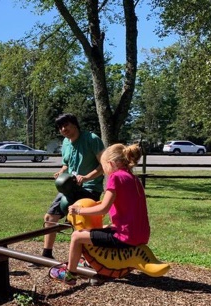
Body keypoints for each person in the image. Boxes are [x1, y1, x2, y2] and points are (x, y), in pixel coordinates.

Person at [49, 143, 150, 285]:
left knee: (77, 236)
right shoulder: (134, 178)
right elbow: (122, 204)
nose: (104, 171)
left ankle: (70, 275)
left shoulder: (115, 177)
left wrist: (78, 210)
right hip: (141, 234)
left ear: (110, 163)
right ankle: (89, 262)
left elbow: (103, 209)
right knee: (103, 227)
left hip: (126, 237)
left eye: (103, 167)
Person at [33, 113, 105, 264]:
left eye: (66, 125)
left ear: (75, 124)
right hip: (70, 187)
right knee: (50, 217)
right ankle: (46, 254)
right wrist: (61, 171)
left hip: (90, 188)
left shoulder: (91, 139)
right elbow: (67, 164)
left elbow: (104, 165)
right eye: (60, 127)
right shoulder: (66, 142)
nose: (63, 129)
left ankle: (90, 260)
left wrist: (86, 177)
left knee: (82, 223)